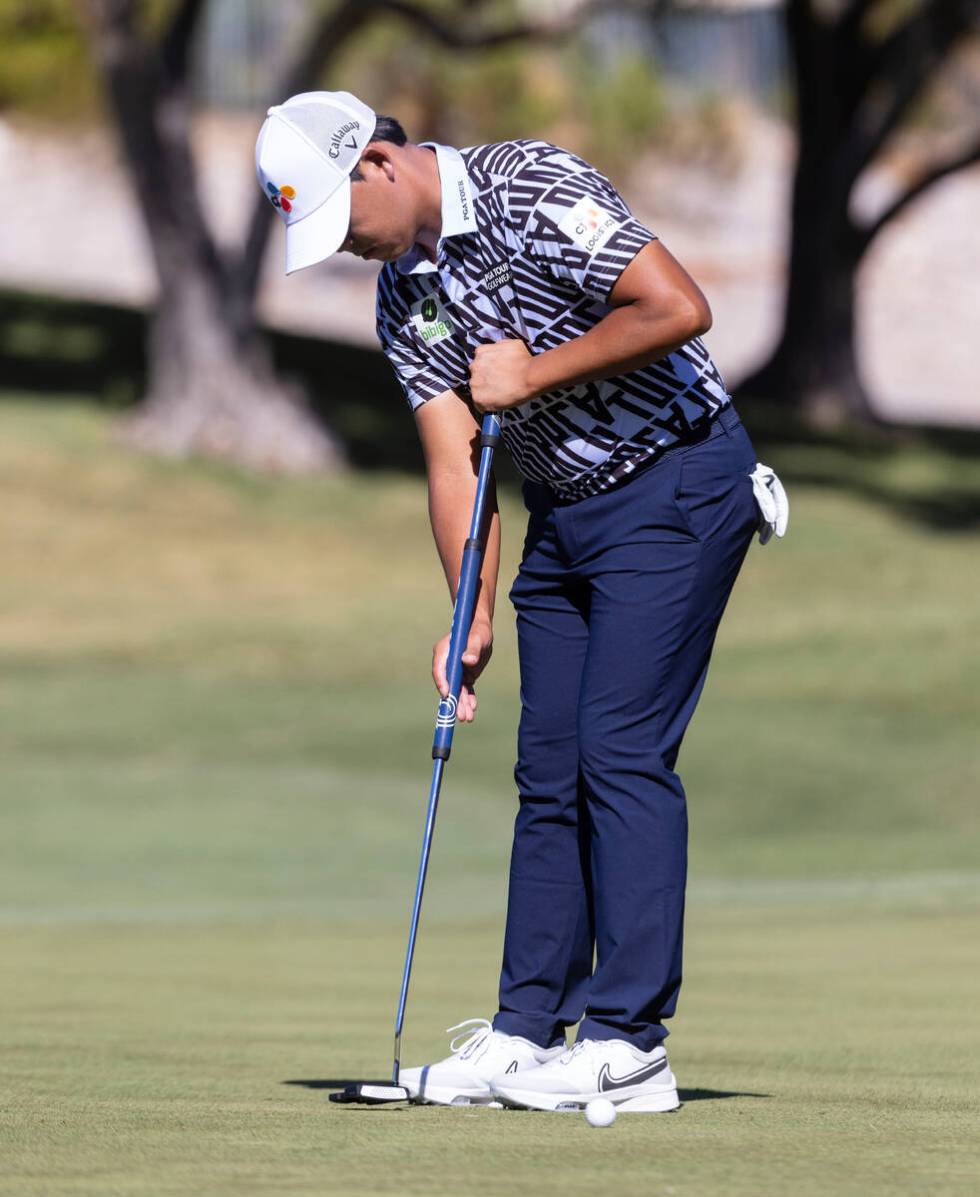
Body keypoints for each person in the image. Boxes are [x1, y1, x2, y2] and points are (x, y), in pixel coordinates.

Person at [255, 90, 787, 1113]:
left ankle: (629, 1045)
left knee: (616, 749)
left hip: (676, 480)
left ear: (375, 162)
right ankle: (524, 1033)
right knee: (546, 766)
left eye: (341, 222)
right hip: (567, 513)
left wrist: (532, 374)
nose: (345, 249)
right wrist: (472, 611)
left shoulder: (528, 186)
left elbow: (678, 306)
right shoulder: (401, 296)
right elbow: (455, 462)